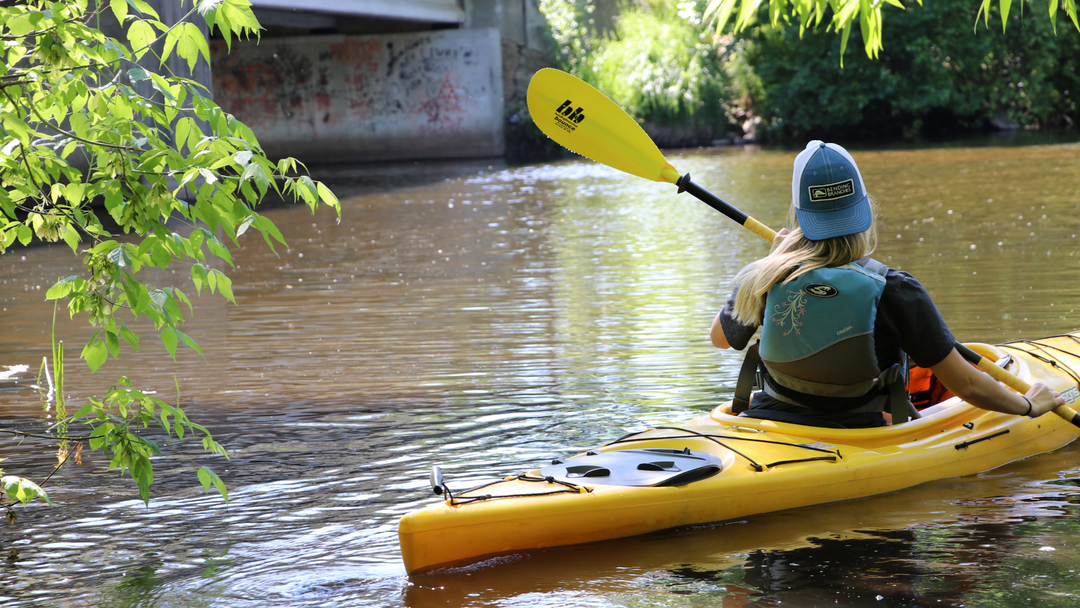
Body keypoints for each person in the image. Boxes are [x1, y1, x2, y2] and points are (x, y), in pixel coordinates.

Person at [710, 140, 1064, 428]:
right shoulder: (894, 289)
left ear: (800, 215)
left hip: (766, 424)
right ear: (863, 211)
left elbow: (721, 339)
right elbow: (967, 384)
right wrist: (1029, 405)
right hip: (858, 435)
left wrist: (775, 261)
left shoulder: (765, 275)